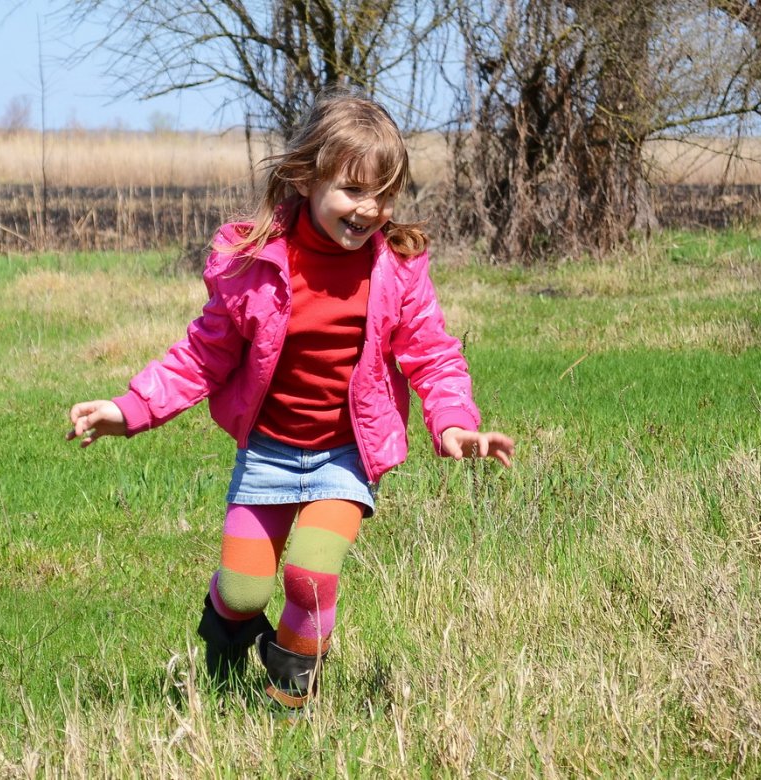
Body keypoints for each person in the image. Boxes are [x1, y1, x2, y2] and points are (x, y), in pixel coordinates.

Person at [66, 90, 515, 713]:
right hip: (270, 452)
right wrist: (130, 409)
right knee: (246, 589)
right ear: (306, 178)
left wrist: (456, 423)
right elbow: (203, 355)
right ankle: (226, 646)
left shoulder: (397, 268)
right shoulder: (255, 259)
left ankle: (288, 704)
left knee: (310, 574)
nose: (369, 210)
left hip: (345, 456)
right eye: (353, 190)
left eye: (384, 194)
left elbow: (432, 352)